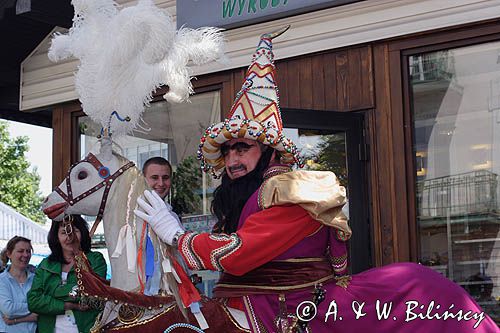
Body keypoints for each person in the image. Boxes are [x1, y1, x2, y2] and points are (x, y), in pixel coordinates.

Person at [135, 27, 499, 332]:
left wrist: (178, 235)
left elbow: (240, 253)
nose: (232, 159)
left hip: (290, 310)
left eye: (242, 148)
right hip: (250, 301)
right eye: (227, 152)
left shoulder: (290, 194)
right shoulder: (246, 197)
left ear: (270, 153)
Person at [27, 215, 107, 333]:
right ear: (56, 237)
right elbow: (33, 302)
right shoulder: (46, 264)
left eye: (75, 231)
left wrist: (53, 293)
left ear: (83, 234)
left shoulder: (95, 259)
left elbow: (92, 293)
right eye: (64, 232)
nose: (70, 237)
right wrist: (69, 305)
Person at [0, 236, 37, 333]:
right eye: (20, 251)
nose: (25, 255)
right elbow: (9, 310)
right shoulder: (2, 280)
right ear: (9, 254)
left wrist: (15, 320)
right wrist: (35, 309)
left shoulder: (36, 279)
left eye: (28, 251)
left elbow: (43, 311)